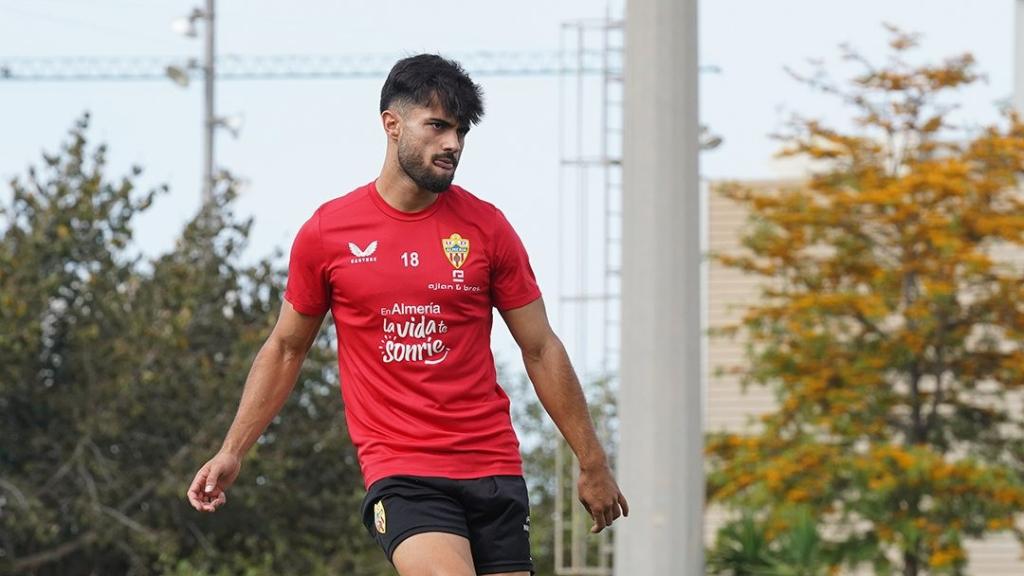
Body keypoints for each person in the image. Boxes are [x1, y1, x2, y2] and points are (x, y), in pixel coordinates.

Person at [186, 53, 627, 576]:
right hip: (403, 472)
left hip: (494, 468)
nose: (453, 144)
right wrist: (232, 450)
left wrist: (592, 459)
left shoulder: (487, 229)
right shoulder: (329, 233)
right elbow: (285, 348)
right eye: (437, 126)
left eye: (461, 131)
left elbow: (540, 347)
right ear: (391, 125)